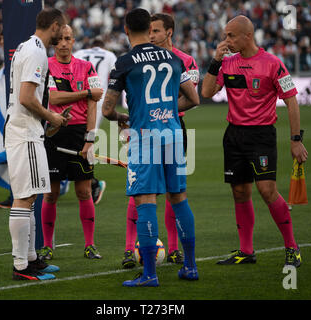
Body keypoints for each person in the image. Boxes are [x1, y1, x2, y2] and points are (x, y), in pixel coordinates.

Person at [102, 8, 200, 287]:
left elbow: (108, 109)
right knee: (179, 198)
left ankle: (149, 275)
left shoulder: (124, 62)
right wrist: (166, 109)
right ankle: (190, 267)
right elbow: (193, 98)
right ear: (149, 28)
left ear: (125, 29)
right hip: (172, 135)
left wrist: (125, 117)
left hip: (145, 138)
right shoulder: (173, 57)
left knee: (145, 201)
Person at [201, 15, 308, 267]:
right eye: (225, 35)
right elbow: (205, 92)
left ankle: (292, 247)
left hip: (261, 135)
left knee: (266, 190)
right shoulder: (227, 64)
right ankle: (246, 251)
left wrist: (296, 140)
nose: (226, 40)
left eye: (231, 35)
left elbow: (291, 100)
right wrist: (216, 60)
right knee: (239, 191)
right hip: (234, 135)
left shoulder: (273, 64)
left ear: (247, 36)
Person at [4, 8, 68, 281]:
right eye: (62, 31)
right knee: (24, 198)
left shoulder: (26, 47)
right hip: (24, 132)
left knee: (30, 197)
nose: (63, 36)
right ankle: (21, 266)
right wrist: (51, 116)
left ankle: (30, 258)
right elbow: (27, 97)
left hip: (26, 131)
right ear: (54, 26)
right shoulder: (37, 51)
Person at [39, 25, 104, 262]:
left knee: (84, 191)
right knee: (51, 194)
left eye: (68, 38)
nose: (64, 43)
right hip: (55, 132)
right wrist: (86, 93)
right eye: (60, 40)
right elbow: (53, 98)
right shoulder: (46, 66)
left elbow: (94, 103)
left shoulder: (86, 66)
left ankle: (90, 245)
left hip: (79, 134)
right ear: (54, 43)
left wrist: (89, 138)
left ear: (74, 40)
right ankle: (47, 246)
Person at [74, 37, 118, 204]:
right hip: (98, 101)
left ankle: (90, 180)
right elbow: (114, 78)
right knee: (87, 141)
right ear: (102, 46)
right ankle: (90, 181)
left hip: (77, 99)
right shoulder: (109, 55)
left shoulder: (79, 52)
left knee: (79, 140)